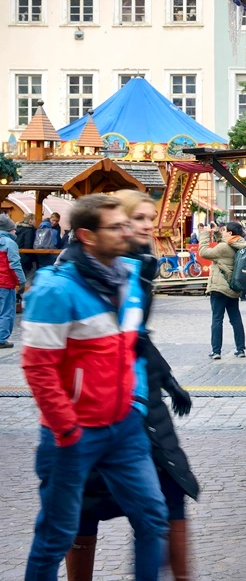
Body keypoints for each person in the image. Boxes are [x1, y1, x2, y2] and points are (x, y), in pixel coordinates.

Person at [21, 194, 168, 581]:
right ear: (87, 236)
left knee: (154, 518)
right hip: (73, 434)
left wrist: (136, 402)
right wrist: (67, 429)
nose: (127, 232)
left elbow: (132, 347)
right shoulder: (54, 290)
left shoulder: (129, 278)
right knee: (55, 536)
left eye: (126, 224)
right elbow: (39, 370)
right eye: (116, 227)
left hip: (123, 428)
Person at [66, 191, 199, 581]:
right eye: (138, 218)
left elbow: (137, 336)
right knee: (85, 505)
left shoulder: (137, 269)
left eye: (150, 217)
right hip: (100, 407)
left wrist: (166, 379)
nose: (147, 225)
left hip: (143, 404)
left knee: (171, 493)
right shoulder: (93, 273)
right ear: (114, 224)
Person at [199, 222, 246, 360]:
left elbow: (203, 252)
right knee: (235, 319)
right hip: (232, 287)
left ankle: (216, 351)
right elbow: (225, 242)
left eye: (224, 230)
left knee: (217, 319)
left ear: (231, 233)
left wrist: (205, 234)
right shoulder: (241, 244)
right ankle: (240, 349)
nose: (223, 231)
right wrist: (216, 233)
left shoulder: (223, 247)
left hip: (219, 288)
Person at [0, 215, 27, 348]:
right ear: (8, 229)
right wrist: (22, 282)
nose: (15, 232)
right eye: (13, 229)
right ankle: (1, 339)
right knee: (6, 311)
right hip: (5, 283)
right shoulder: (9, 243)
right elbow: (15, 265)